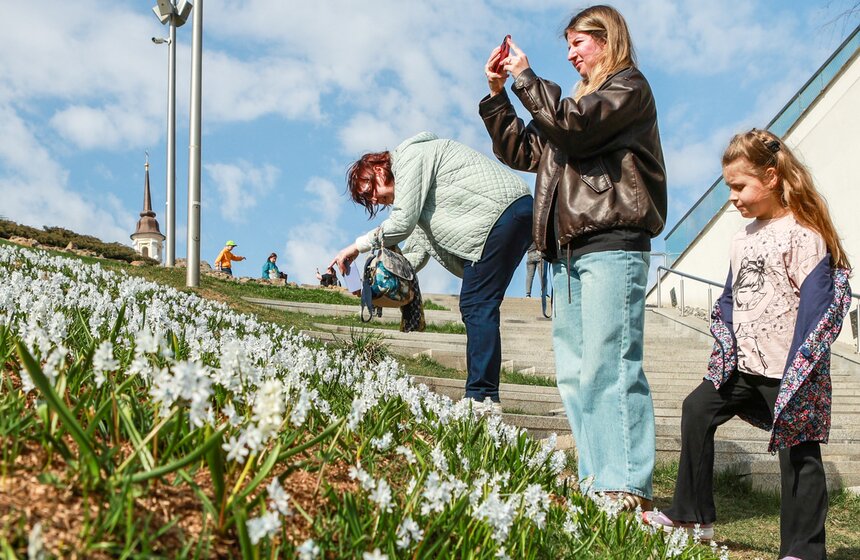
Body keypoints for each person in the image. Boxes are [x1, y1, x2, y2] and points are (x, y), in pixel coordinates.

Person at [479, 5, 667, 509]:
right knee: (576, 373)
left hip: (612, 239)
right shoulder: (571, 106)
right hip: (566, 250)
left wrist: (525, 77)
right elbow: (523, 151)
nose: (569, 54)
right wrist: (498, 95)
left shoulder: (628, 88)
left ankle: (625, 486)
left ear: (606, 40)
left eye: (577, 42)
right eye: (567, 45)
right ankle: (596, 482)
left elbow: (574, 127)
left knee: (610, 365)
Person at [643, 129, 852, 560]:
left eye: (739, 186)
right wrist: (725, 344)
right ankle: (692, 515)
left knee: (799, 454)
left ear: (771, 177)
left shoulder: (803, 234)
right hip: (743, 367)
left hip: (788, 373)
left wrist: (799, 369)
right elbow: (730, 297)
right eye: (728, 187)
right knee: (697, 408)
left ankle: (803, 550)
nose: (732, 197)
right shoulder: (743, 237)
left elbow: (816, 305)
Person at [332, 132, 533, 405]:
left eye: (370, 192)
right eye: (369, 201)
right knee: (477, 304)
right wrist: (370, 286)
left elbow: (401, 224)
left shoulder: (410, 158)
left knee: (477, 304)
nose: (375, 201)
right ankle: (482, 396)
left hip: (501, 213)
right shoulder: (416, 199)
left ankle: (482, 399)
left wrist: (356, 247)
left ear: (378, 169)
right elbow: (411, 259)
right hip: (507, 217)